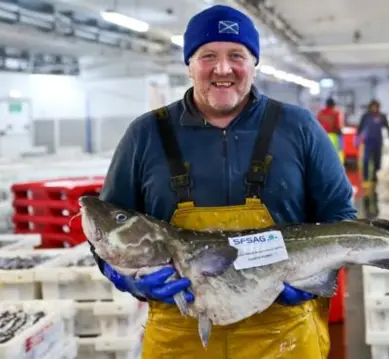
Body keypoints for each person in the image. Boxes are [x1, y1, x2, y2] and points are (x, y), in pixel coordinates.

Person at [89, 4, 357, 359]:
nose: (223, 69)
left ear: (254, 62)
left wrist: (314, 277)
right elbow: (109, 226)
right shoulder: (147, 134)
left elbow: (341, 217)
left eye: (237, 55)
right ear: (189, 64)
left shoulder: (299, 127)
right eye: (207, 55)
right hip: (180, 338)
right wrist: (124, 276)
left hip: (283, 333)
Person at [355, 99, 389, 217]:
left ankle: (376, 179)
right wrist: (357, 138)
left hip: (378, 143)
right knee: (366, 161)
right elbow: (360, 128)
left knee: (377, 163)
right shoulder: (366, 116)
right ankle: (367, 179)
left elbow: (388, 128)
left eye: (376, 106)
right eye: (372, 106)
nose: (374, 108)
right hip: (368, 143)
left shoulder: (382, 116)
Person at [316, 97, 345, 165]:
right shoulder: (336, 112)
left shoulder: (321, 112)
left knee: (324, 153)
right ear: (333, 105)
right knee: (338, 152)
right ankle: (339, 166)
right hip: (334, 136)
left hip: (322, 136)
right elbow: (338, 125)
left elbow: (316, 124)